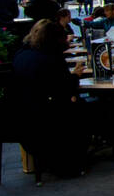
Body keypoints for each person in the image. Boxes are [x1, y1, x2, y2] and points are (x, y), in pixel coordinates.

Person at [12, 19, 87, 177]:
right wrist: (76, 76)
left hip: (22, 120)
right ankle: (71, 162)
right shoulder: (50, 59)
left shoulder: (22, 54)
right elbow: (64, 88)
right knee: (83, 107)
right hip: (46, 124)